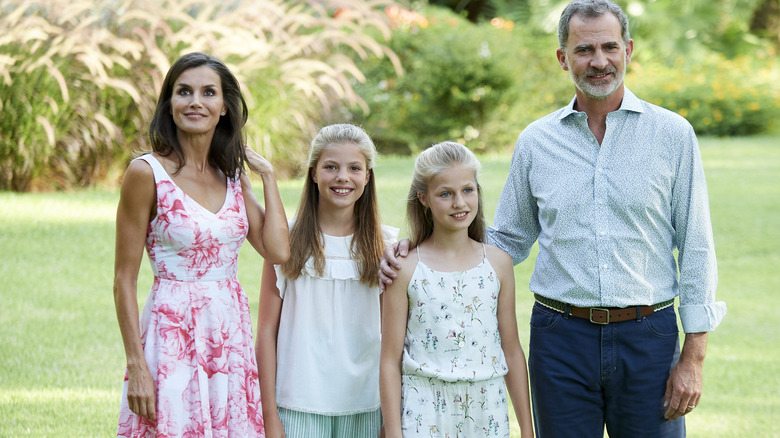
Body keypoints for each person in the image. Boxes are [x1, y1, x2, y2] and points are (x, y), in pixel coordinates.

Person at [379, 1, 727, 436]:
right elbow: (507, 238)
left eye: (609, 47)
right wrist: (421, 250)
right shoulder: (536, 142)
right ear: (563, 58)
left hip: (649, 337)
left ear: (629, 50)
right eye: (584, 50)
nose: (598, 61)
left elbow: (696, 245)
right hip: (560, 339)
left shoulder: (673, 135)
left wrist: (693, 355)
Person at [114, 52, 290, 437]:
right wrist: (138, 365)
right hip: (170, 332)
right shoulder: (146, 173)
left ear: (224, 107)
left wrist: (268, 178)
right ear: (169, 104)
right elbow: (123, 279)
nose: (195, 101)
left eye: (208, 92)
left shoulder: (232, 176)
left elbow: (278, 251)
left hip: (229, 334)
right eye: (184, 92)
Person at [380, 141, 533, 438]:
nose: (459, 203)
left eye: (467, 190)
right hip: (423, 410)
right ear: (423, 198)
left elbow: (512, 350)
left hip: (486, 408)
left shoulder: (498, 264)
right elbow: (389, 359)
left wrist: (527, 430)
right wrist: (394, 432)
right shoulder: (406, 268)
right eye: (445, 194)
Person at [255, 123, 398, 438]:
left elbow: (395, 338)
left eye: (354, 168)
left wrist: (392, 418)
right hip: (296, 404)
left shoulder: (389, 246)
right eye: (331, 167)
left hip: (367, 405)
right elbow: (266, 331)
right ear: (314, 173)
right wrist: (269, 416)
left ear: (368, 176)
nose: (343, 177)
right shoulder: (285, 240)